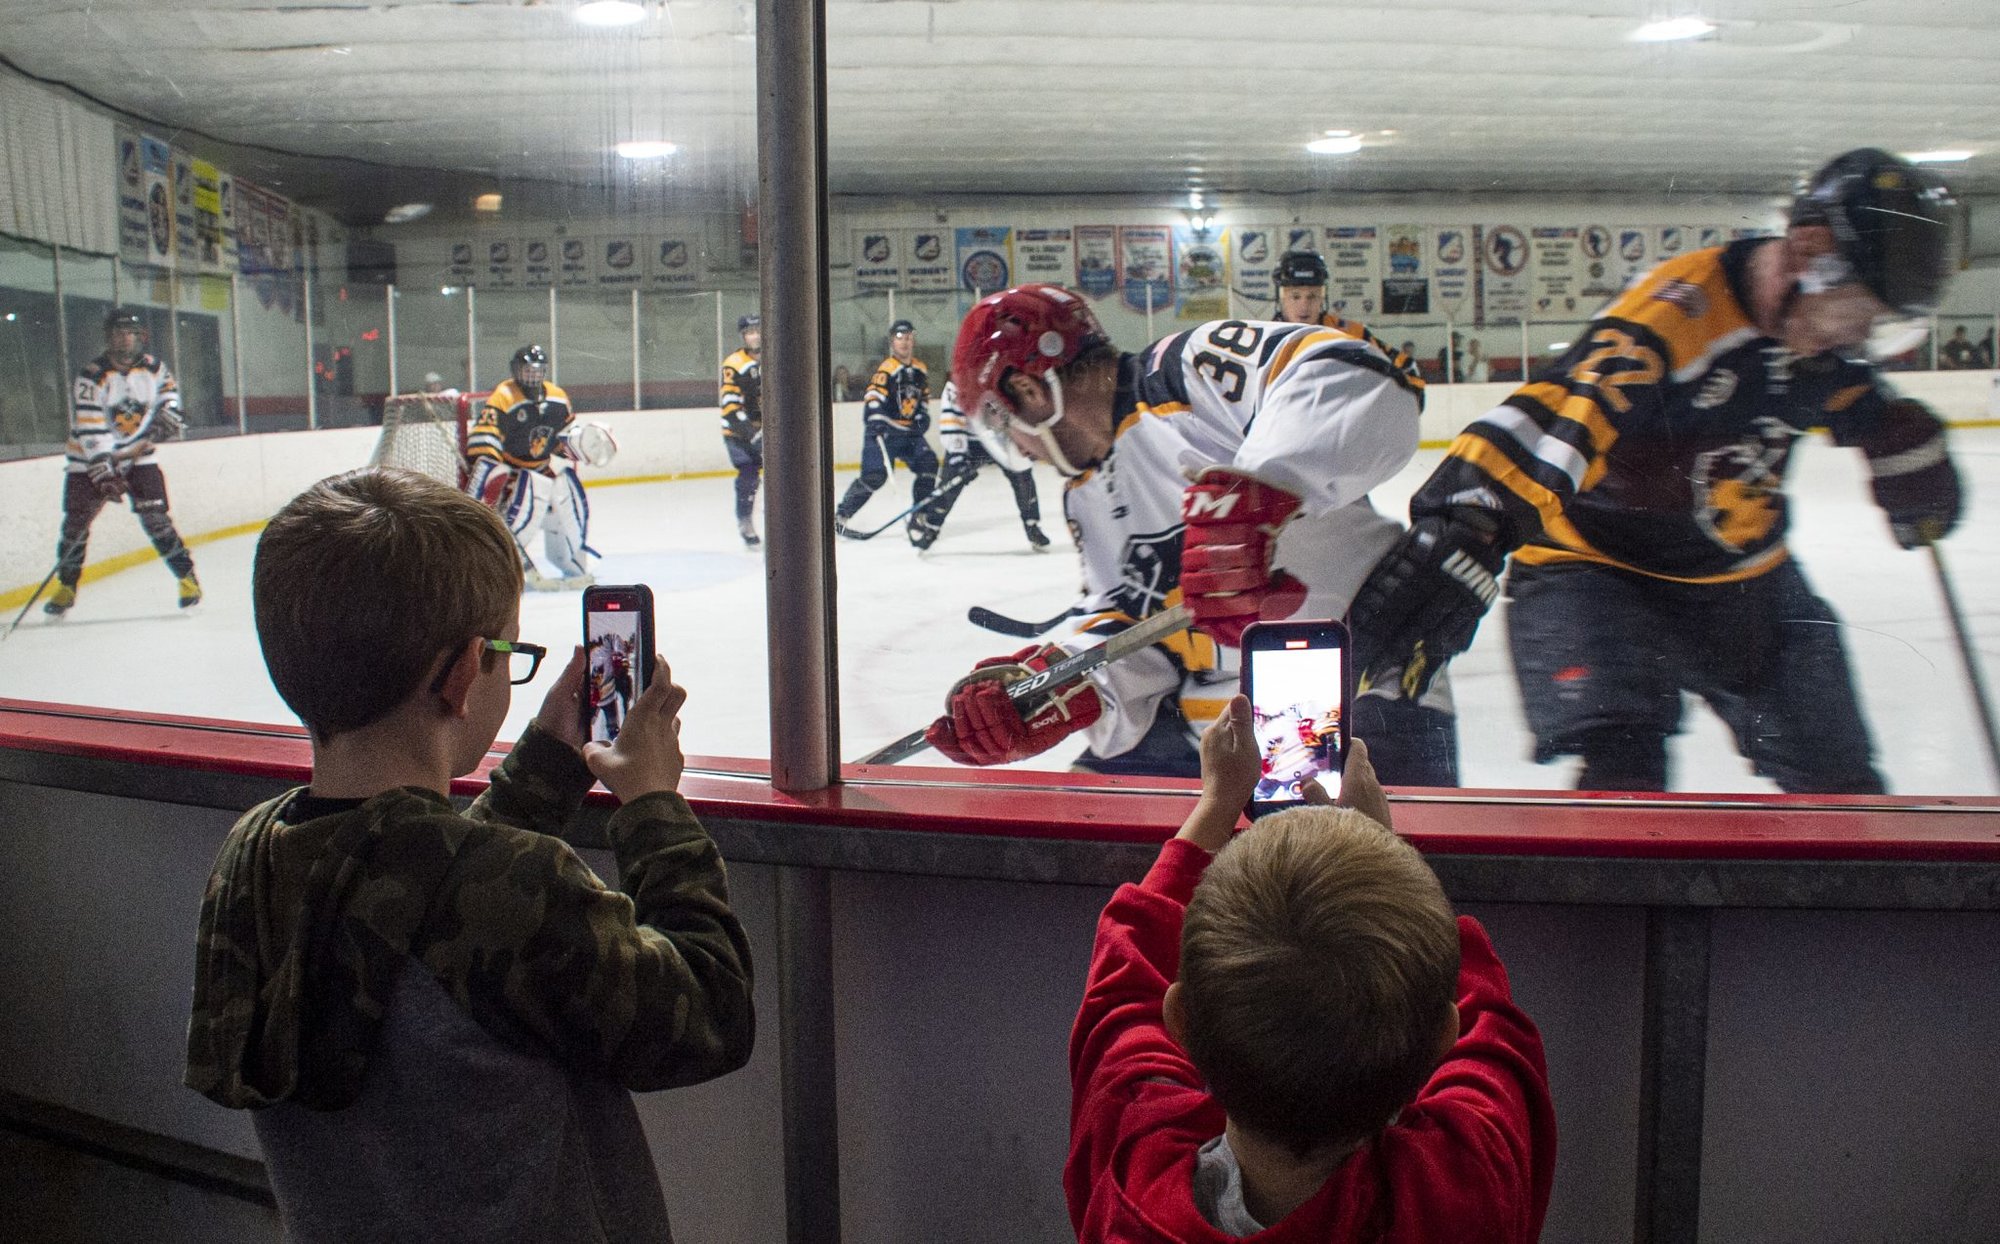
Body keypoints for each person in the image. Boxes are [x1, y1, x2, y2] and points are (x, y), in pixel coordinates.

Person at [184, 467, 755, 1244]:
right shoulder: (509, 886)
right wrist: (654, 807)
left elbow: (414, 893)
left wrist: (551, 759)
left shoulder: (253, 853)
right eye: (507, 653)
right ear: (460, 676)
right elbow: (709, 1013)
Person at [1353, 148, 1965, 793]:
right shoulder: (1676, 317)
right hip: (1597, 574)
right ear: (1810, 254)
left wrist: (1907, 453)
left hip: (1745, 581)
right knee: (1625, 777)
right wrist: (1468, 522)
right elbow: (1565, 415)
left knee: (1843, 785)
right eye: (1860, 315)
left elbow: (1861, 404)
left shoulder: (1818, 329)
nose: (1858, 342)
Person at [925, 283, 1457, 786]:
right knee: (1090, 824)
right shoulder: (1083, 498)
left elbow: (1359, 377)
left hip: (1353, 692)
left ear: (1029, 390)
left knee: (1340, 876)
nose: (1018, 450)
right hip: (1232, 738)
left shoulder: (1181, 371)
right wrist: (1069, 682)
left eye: (1002, 423)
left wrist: (1262, 489)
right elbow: (1136, 623)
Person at [1066, 698, 1556, 1241]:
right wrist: (1375, 858)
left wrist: (1216, 804)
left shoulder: (1134, 1181)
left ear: (1179, 1018)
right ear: (1444, 1036)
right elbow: (1495, 1033)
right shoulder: (1463, 1190)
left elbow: (1122, 996)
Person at [45, 306, 198, 617]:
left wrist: (169, 414)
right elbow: (91, 429)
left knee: (156, 519)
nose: (125, 339)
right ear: (108, 337)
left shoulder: (155, 369)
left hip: (139, 456)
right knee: (76, 525)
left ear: (140, 337)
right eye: (118, 333)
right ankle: (66, 586)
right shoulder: (93, 376)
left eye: (130, 333)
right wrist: (103, 471)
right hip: (87, 460)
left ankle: (187, 578)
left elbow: (169, 397)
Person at [464, 344, 594, 590]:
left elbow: (562, 441)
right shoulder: (505, 394)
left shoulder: (557, 396)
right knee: (527, 505)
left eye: (537, 370)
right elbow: (486, 437)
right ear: (516, 370)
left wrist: (582, 446)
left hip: (543, 469)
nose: (532, 375)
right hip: (513, 472)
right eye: (527, 369)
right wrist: (489, 474)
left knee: (565, 502)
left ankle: (572, 563)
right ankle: (511, 567)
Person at [906, 377, 1051, 552]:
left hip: (1002, 437)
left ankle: (1032, 525)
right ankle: (932, 527)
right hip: (970, 441)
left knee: (1022, 474)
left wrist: (1025, 439)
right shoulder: (960, 375)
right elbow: (952, 416)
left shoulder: (1004, 371)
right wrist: (958, 454)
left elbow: (1020, 408)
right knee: (951, 481)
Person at [835, 318, 941, 547]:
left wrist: (923, 416)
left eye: (909, 337)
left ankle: (919, 515)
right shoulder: (887, 368)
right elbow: (873, 397)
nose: (905, 342)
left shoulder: (920, 368)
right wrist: (876, 421)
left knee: (929, 464)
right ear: (892, 342)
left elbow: (922, 400)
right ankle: (841, 516)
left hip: (909, 433)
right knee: (875, 476)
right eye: (900, 338)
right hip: (884, 431)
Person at [1269, 249, 1426, 385]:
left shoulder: (1352, 335)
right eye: (1295, 297)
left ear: (1323, 297)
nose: (1304, 305)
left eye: (1312, 296)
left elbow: (1408, 370)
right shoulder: (1264, 341)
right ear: (1281, 297)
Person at [720, 314, 764, 548]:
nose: (755, 335)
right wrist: (752, 434)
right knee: (748, 473)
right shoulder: (734, 363)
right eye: (750, 332)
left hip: (767, 431)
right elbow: (730, 408)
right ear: (743, 336)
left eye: (758, 330)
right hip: (738, 433)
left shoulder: (775, 358)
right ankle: (745, 521)